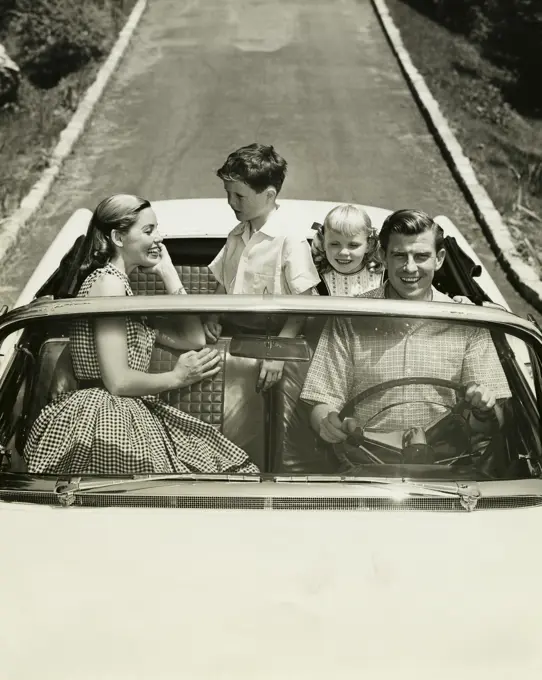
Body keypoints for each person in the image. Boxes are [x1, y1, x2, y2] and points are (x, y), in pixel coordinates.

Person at [25, 194, 259, 475]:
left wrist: (169, 273)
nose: (159, 238)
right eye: (149, 231)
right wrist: (177, 377)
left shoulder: (124, 290)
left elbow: (194, 338)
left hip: (124, 409)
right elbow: (118, 381)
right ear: (118, 238)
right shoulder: (108, 283)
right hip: (101, 415)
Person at [300, 208, 512, 454]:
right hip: (365, 461)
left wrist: (483, 410)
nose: (410, 268)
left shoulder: (467, 322)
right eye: (400, 256)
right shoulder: (351, 318)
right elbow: (322, 400)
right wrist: (329, 424)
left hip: (448, 469)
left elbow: (493, 419)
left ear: (439, 258)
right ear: (383, 257)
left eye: (421, 256)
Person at [204, 143, 320, 392]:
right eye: (228, 193)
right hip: (235, 340)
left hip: (275, 348)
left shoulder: (290, 239)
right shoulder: (236, 235)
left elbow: (304, 304)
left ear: (269, 195)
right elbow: (224, 284)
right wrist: (212, 317)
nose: (230, 202)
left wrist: (279, 352)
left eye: (239, 196)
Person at [311, 203, 384, 297]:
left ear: (369, 245)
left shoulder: (382, 278)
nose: (343, 252)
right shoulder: (316, 281)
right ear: (323, 243)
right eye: (334, 244)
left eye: (353, 245)